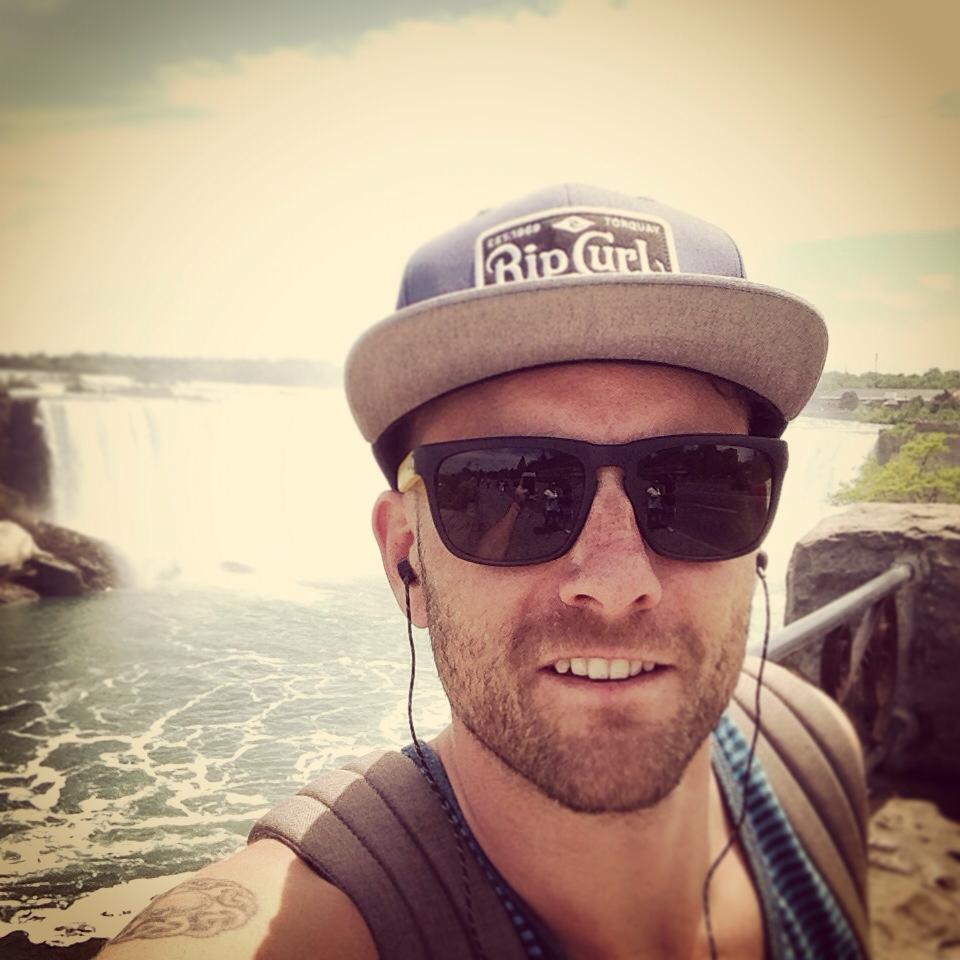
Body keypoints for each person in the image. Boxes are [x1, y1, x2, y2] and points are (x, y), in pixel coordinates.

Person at [97, 185, 870, 959]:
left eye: (701, 483)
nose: (615, 578)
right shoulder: (308, 929)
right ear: (406, 559)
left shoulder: (813, 752)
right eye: (512, 489)